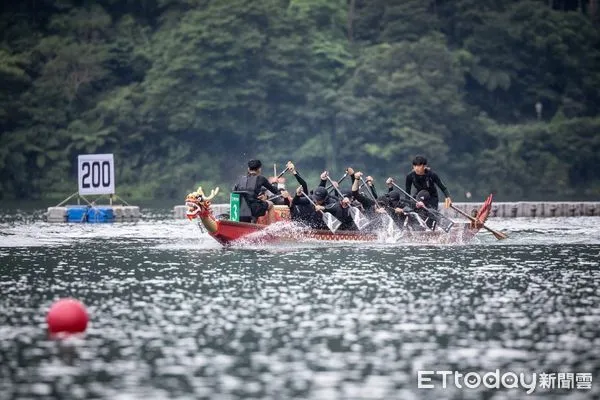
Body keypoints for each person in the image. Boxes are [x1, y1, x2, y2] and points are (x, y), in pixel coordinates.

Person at [233, 159, 281, 224]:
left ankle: (252, 224)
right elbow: (275, 191)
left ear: (248, 169)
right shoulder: (261, 178)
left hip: (239, 208)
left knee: (257, 203)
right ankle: (272, 228)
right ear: (259, 169)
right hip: (253, 208)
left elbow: (235, 193)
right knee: (270, 204)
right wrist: (275, 183)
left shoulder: (240, 179)